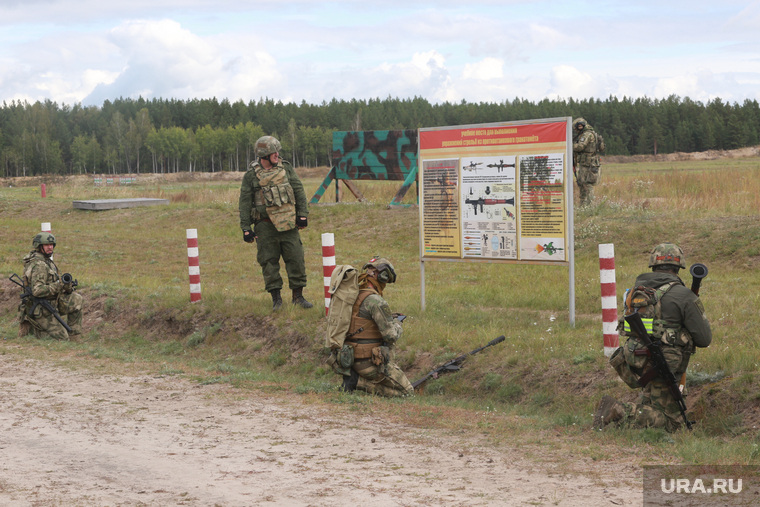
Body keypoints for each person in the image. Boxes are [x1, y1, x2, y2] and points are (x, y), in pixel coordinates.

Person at [593, 243, 712, 432]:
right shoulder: (683, 296)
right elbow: (704, 339)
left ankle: (627, 419)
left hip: (637, 359)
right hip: (666, 362)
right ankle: (619, 410)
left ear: (653, 265)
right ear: (678, 267)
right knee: (672, 423)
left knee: (652, 407)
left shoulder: (636, 293)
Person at [239, 135, 313, 311]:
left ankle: (298, 297)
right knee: (268, 261)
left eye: (277, 151)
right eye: (274, 152)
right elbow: (244, 202)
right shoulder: (251, 176)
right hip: (264, 226)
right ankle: (276, 299)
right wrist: (245, 228)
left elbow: (298, 190)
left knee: (296, 258)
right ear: (264, 155)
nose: (277, 155)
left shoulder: (286, 168)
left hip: (288, 223)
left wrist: (302, 214)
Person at [341, 257, 414, 397]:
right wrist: (398, 323)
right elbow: (391, 335)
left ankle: (354, 377)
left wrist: (388, 317)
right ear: (383, 277)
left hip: (348, 358)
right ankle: (357, 382)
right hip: (368, 363)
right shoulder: (376, 301)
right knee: (407, 392)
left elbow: (361, 321)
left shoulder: (354, 294)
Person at [19, 232, 83, 340]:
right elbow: (37, 291)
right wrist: (58, 286)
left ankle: (75, 339)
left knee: (76, 299)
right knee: (63, 338)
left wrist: (65, 286)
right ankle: (36, 332)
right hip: (41, 308)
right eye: (47, 245)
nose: (50, 247)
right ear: (39, 246)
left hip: (51, 303)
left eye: (52, 245)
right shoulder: (39, 265)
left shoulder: (47, 261)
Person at [572, 117, 602, 206]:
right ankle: (583, 205)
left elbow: (580, 147)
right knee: (581, 182)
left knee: (587, 183)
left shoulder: (587, 134)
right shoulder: (589, 133)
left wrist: (569, 145)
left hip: (588, 163)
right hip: (588, 162)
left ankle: (589, 205)